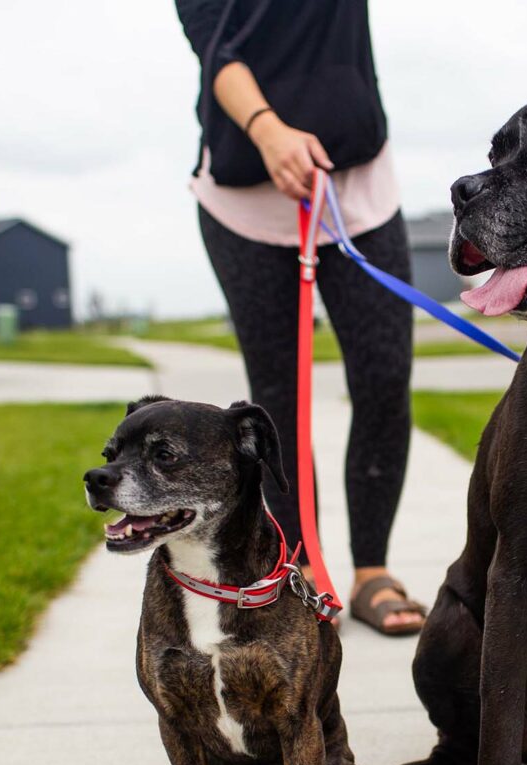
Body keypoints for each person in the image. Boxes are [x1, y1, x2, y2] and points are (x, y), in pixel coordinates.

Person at [175, 0, 426, 635]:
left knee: (383, 378)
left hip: (356, 188)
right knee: (278, 396)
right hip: (243, 202)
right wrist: (268, 130)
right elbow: (216, 47)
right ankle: (301, 569)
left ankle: (372, 571)